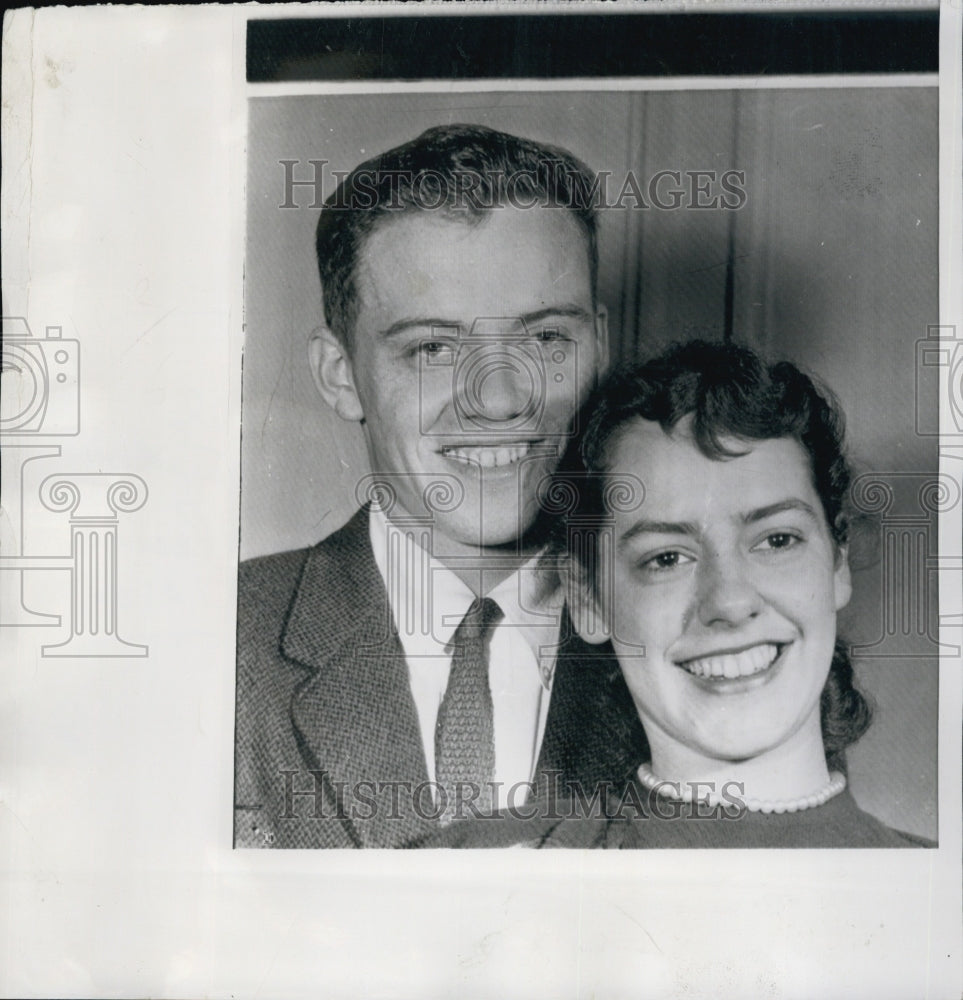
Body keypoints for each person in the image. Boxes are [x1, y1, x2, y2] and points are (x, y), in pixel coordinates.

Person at [234, 124, 645, 848]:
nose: (499, 400)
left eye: (546, 338)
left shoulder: (687, 638)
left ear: (599, 344)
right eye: (433, 347)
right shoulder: (219, 641)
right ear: (340, 374)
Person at [426, 340, 932, 848]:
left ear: (838, 561)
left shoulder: (932, 881)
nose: (730, 602)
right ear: (587, 598)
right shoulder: (487, 868)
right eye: (666, 558)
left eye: (778, 540)